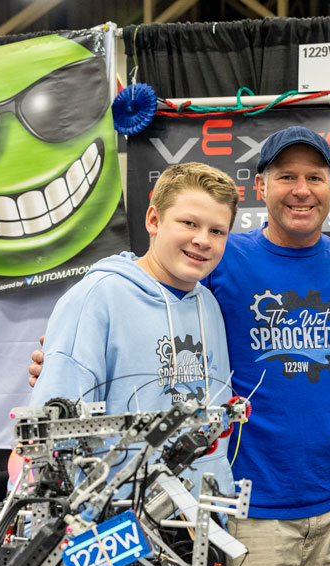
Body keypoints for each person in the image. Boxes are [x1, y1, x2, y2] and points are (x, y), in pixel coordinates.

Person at [193, 127, 330, 566]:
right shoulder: (222, 257)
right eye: (286, 177)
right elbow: (155, 301)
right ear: (262, 189)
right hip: (252, 510)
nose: (302, 189)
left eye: (315, 177)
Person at [30, 162, 239, 495]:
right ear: (154, 220)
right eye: (189, 223)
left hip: (196, 522)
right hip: (115, 526)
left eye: (217, 231)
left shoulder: (209, 305)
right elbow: (51, 433)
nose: (203, 240)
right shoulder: (97, 298)